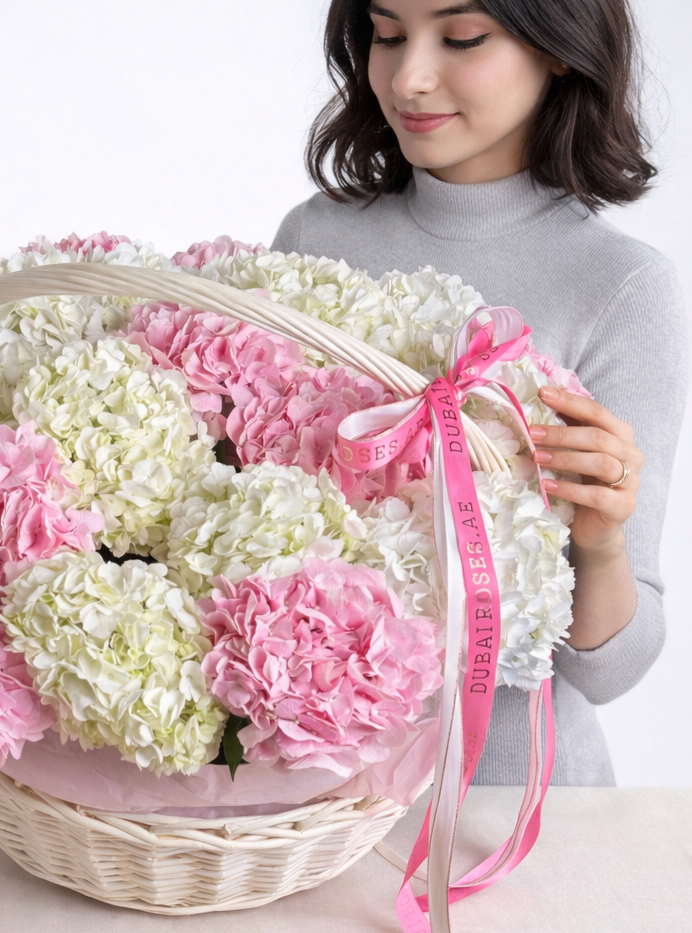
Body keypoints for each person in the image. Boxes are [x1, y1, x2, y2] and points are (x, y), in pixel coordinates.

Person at [271, 0, 688, 784]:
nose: (410, 77)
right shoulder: (314, 241)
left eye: (461, 38)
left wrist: (599, 545)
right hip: (315, 812)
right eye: (388, 36)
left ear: (560, 48)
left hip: (518, 815)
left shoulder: (622, 287)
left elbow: (610, 674)